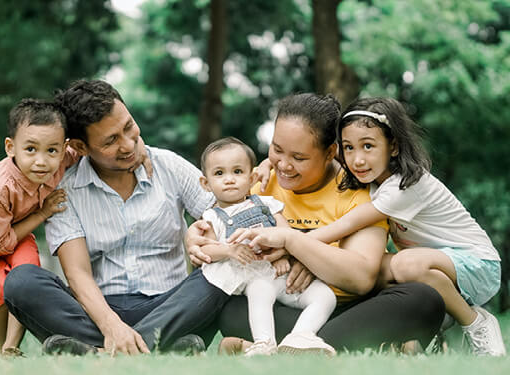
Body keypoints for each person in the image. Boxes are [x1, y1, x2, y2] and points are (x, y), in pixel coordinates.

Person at [188, 93, 446, 353]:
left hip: (346, 308)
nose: (284, 165)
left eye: (299, 158)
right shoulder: (261, 182)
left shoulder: (358, 190)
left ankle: (284, 346)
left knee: (425, 299)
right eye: (277, 149)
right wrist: (196, 237)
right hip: (277, 304)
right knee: (229, 306)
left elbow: (361, 278)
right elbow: (218, 232)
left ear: (330, 152)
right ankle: (327, 345)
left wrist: (296, 245)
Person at [3, 79, 230, 356]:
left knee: (225, 270)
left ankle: (99, 354)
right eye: (111, 140)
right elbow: (78, 274)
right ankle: (160, 348)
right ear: (80, 147)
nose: (128, 144)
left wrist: (203, 233)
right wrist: (112, 326)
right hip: (98, 312)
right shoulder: (65, 192)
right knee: (21, 281)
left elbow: (229, 213)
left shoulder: (167, 166)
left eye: (128, 127)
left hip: (171, 305)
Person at [282, 97, 504, 356]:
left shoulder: (407, 186)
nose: (357, 159)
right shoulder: (373, 177)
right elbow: (319, 161)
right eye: (349, 148)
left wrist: (295, 244)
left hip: (479, 264)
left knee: (404, 264)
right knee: (363, 269)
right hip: (434, 268)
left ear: (394, 146)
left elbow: (349, 223)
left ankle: (476, 322)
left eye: (368, 146)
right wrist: (268, 165)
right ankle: (428, 328)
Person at [0, 99, 78, 356]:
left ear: (63, 149)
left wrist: (140, 152)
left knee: (26, 282)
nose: (41, 162)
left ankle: (11, 348)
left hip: (15, 231)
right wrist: (43, 212)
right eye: (30, 149)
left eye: (51, 151)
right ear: (11, 147)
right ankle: (3, 352)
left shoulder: (60, 160)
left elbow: (89, 148)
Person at [196, 137, 336, 356]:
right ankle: (264, 342)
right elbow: (206, 250)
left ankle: (300, 336)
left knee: (326, 296)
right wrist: (229, 250)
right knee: (259, 294)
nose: (230, 179)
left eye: (238, 172)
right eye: (219, 173)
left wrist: (282, 255)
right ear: (206, 183)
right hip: (255, 278)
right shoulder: (213, 216)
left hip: (282, 275)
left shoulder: (267, 204)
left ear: (251, 177)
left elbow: (287, 235)